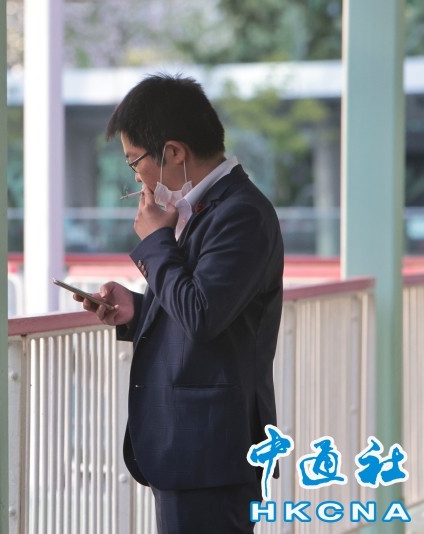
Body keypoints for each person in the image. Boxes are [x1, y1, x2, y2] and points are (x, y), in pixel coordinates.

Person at [74, 74, 284, 533]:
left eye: (135, 161)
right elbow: (198, 307)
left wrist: (155, 243)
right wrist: (138, 310)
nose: (136, 177)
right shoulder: (200, 208)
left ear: (173, 152)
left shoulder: (241, 213)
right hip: (190, 447)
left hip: (211, 450)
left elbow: (202, 315)